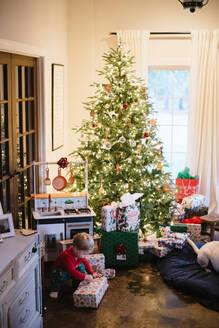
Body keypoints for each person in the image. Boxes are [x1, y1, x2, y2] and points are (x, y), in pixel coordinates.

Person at [49, 232, 101, 298]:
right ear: (76, 248)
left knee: (81, 266)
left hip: (70, 271)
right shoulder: (67, 256)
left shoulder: (79, 254)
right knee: (57, 274)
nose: (84, 256)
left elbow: (85, 262)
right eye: (84, 254)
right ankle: (54, 290)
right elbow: (71, 271)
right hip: (61, 271)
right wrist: (85, 277)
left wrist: (92, 273)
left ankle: (77, 286)